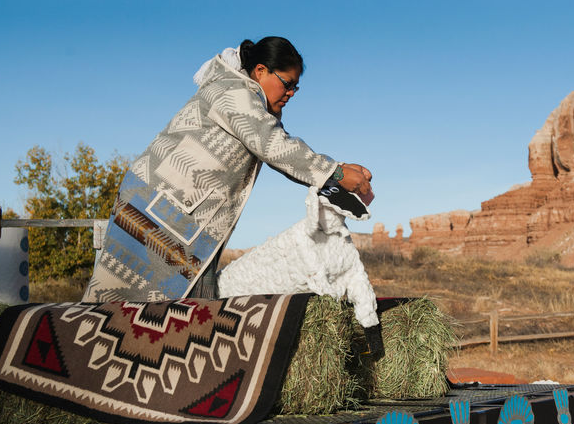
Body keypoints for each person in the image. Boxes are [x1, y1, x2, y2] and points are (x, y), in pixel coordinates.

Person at [83, 36, 373, 302]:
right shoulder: (232, 92)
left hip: (174, 212)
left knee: (168, 306)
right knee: (160, 308)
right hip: (161, 212)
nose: (292, 93)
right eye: (287, 83)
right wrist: (335, 172)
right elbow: (273, 145)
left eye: (296, 87)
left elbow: (273, 145)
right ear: (261, 71)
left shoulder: (244, 97)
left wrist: (335, 174)